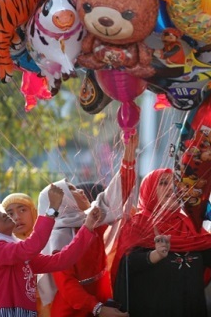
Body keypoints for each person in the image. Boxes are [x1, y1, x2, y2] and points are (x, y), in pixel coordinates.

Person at [112, 168, 211, 317]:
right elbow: (125, 267)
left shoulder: (191, 226)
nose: (171, 188)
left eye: (176, 184)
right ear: (149, 190)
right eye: (163, 183)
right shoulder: (137, 225)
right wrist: (154, 255)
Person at [39, 133, 138, 317]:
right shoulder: (59, 238)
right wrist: (98, 309)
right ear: (63, 202)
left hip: (100, 301)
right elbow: (68, 286)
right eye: (72, 190)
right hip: (73, 310)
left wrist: (129, 156)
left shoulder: (92, 217)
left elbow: (116, 194)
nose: (81, 190)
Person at [0, 184, 102, 317]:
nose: (3, 215)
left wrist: (88, 226)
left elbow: (61, 261)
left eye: (0, 212)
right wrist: (52, 209)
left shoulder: (17, 252)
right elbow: (31, 246)